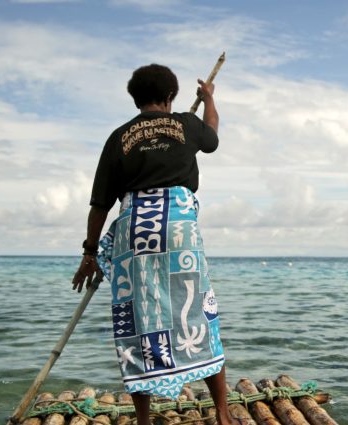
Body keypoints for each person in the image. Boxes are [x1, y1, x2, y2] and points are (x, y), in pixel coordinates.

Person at [71, 64, 235, 425]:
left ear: (135, 98)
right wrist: (209, 99)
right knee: (198, 314)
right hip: (178, 228)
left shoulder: (118, 137)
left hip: (135, 231)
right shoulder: (186, 124)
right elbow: (212, 137)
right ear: (171, 96)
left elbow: (100, 203)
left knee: (138, 322)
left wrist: (89, 252)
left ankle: (143, 421)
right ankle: (223, 414)